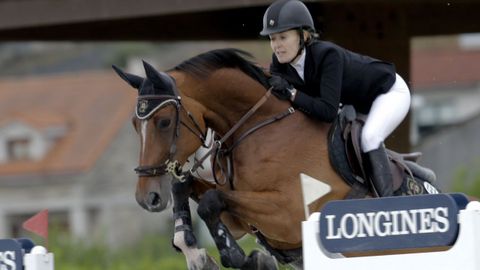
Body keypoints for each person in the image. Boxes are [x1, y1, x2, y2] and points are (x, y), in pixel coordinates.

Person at [260, 0, 411, 197]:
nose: (276, 46)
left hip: (388, 92)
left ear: (303, 35)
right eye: (272, 39)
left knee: (370, 138)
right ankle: (414, 171)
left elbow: (327, 111)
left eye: (283, 37)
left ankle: (388, 206)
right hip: (357, 104)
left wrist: (292, 93)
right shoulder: (279, 65)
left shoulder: (327, 55)